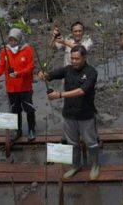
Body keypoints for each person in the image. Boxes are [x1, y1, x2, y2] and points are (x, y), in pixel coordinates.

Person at [39, 45, 100, 180]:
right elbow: (53, 74)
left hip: (86, 115)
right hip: (69, 114)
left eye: (77, 59)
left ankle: (95, 165)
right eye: (72, 58)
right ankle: (75, 166)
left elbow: (82, 91)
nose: (74, 62)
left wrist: (60, 95)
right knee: (72, 142)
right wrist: (45, 75)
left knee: (91, 142)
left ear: (84, 58)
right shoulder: (68, 70)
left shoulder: (91, 72)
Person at [0, 28, 36, 141]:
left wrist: (19, 74)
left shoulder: (27, 49)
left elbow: (30, 67)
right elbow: (1, 64)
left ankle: (31, 129)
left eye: (15, 40)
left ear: (20, 39)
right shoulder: (5, 50)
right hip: (11, 87)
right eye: (10, 40)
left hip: (24, 85)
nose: (12, 42)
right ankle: (18, 131)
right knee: (14, 109)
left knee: (29, 108)